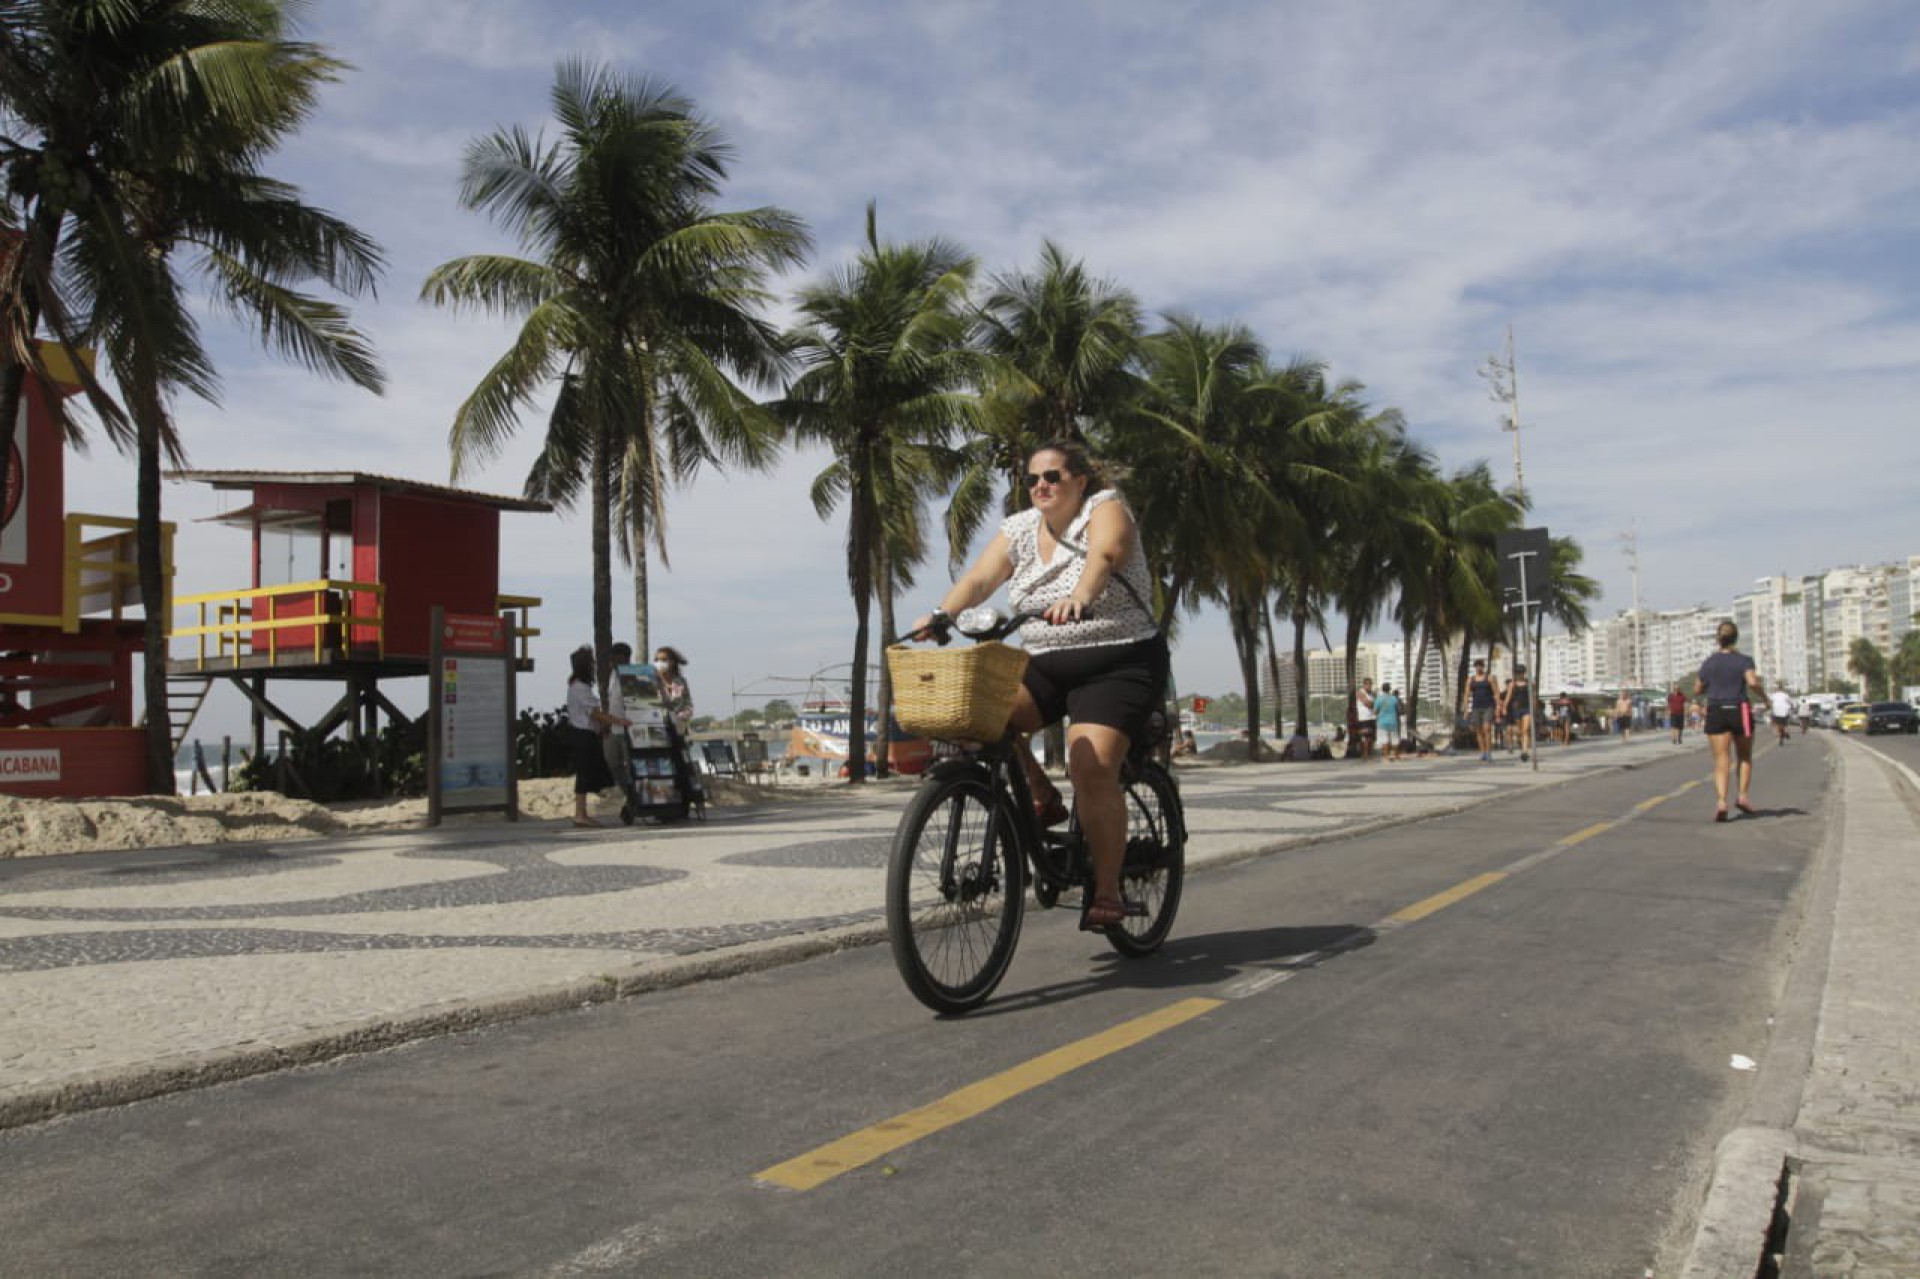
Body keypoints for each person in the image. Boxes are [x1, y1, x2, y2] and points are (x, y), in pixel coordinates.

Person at [912, 439, 1166, 932]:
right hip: (1047, 660)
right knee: (979, 718)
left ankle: (1109, 892)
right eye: (1032, 480)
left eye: (1052, 477)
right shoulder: (1021, 528)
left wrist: (1081, 596)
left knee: (1089, 765)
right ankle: (1039, 790)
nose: (1041, 486)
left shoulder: (1105, 508)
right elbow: (982, 578)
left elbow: (1107, 553)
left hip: (1119, 659)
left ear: (1079, 480)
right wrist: (943, 614)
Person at [1696, 620, 1764, 821]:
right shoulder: (1744, 660)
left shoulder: (1709, 662)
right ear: (1736, 638)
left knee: (1721, 759)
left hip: (1716, 709)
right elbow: (1752, 682)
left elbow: (1698, 688)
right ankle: (1742, 796)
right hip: (1739, 709)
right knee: (1744, 756)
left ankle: (1721, 801)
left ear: (1718, 640)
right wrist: (1764, 697)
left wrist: (1714, 685)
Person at [566, 645, 630, 828]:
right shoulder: (580, 687)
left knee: (585, 774)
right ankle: (580, 814)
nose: (594, 666)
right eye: (591, 663)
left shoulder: (577, 685)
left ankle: (582, 813)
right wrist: (616, 721)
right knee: (584, 775)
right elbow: (594, 713)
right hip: (582, 734)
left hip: (584, 733)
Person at [652, 646, 694, 733]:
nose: (659, 663)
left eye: (663, 660)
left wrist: (681, 716)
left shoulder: (680, 681)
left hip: (678, 730)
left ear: (672, 662)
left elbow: (688, 705)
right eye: (657, 660)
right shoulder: (651, 682)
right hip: (657, 728)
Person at [1463, 658, 1497, 761]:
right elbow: (1467, 695)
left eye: (1480, 665)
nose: (1479, 667)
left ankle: (1489, 752)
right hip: (1476, 707)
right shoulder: (1471, 680)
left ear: (1483, 666)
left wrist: (1498, 706)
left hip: (1488, 706)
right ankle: (1483, 752)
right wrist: (1466, 710)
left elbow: (1496, 692)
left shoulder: (1489, 678)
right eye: (1477, 665)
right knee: (1479, 731)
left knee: (1487, 728)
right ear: (1475, 667)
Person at [1502, 665, 1535, 762]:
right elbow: (1508, 697)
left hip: (1527, 709)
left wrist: (1534, 708)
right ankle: (1522, 747)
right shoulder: (1513, 684)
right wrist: (1504, 707)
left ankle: (1525, 752)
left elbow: (1533, 696)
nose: (1519, 674)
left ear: (1524, 673)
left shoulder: (1529, 683)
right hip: (1516, 709)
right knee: (1520, 731)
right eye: (1518, 673)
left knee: (1525, 730)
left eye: (1521, 672)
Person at [1375, 682, 1400, 760]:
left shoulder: (1379, 699)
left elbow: (1375, 711)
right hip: (1393, 721)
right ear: (1389, 689)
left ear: (1382, 689)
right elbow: (1398, 709)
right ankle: (1396, 756)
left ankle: (1386, 756)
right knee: (1395, 739)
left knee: (1384, 740)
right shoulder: (1394, 698)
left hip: (1382, 722)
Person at [1354, 677, 1378, 760]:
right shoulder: (1360, 692)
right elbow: (1369, 704)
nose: (1369, 686)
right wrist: (1374, 704)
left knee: (1372, 737)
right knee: (1365, 737)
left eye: (1370, 684)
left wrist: (1374, 704)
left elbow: (1375, 704)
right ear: (1364, 685)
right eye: (1368, 684)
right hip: (1364, 718)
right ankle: (1365, 753)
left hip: (1372, 717)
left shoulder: (1372, 693)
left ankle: (1370, 752)